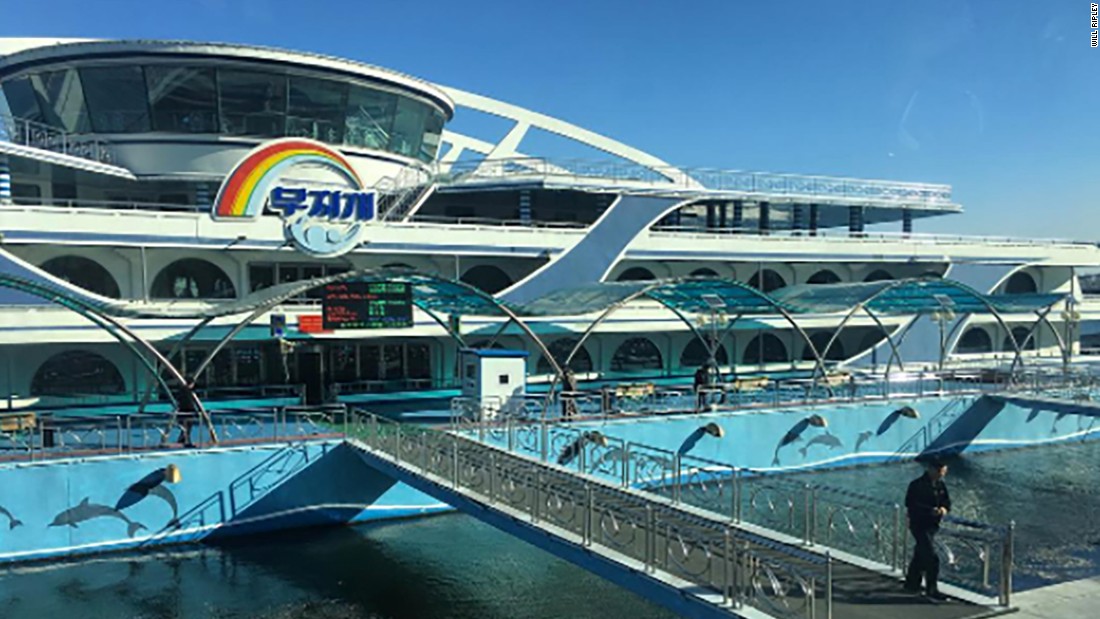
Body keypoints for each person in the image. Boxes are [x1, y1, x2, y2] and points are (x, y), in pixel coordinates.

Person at [904, 458, 952, 600]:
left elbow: (947, 502)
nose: (941, 474)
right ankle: (932, 589)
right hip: (919, 525)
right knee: (932, 558)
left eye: (943, 471)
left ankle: (912, 583)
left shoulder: (940, 486)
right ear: (930, 469)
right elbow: (911, 504)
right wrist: (929, 510)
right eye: (939, 471)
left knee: (920, 553)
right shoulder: (917, 485)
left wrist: (943, 509)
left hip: (932, 526)